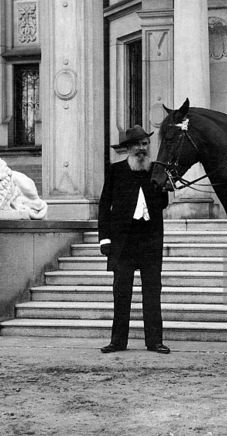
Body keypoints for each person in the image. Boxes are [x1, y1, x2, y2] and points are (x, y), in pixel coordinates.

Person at [98, 125, 171, 354]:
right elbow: (104, 205)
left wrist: (165, 188)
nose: (142, 149)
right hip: (123, 242)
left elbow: (162, 204)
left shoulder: (156, 171)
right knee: (121, 293)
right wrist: (104, 239)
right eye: (138, 145)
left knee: (152, 292)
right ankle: (118, 341)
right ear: (128, 148)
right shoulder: (116, 170)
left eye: (145, 144)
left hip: (149, 240)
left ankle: (155, 341)